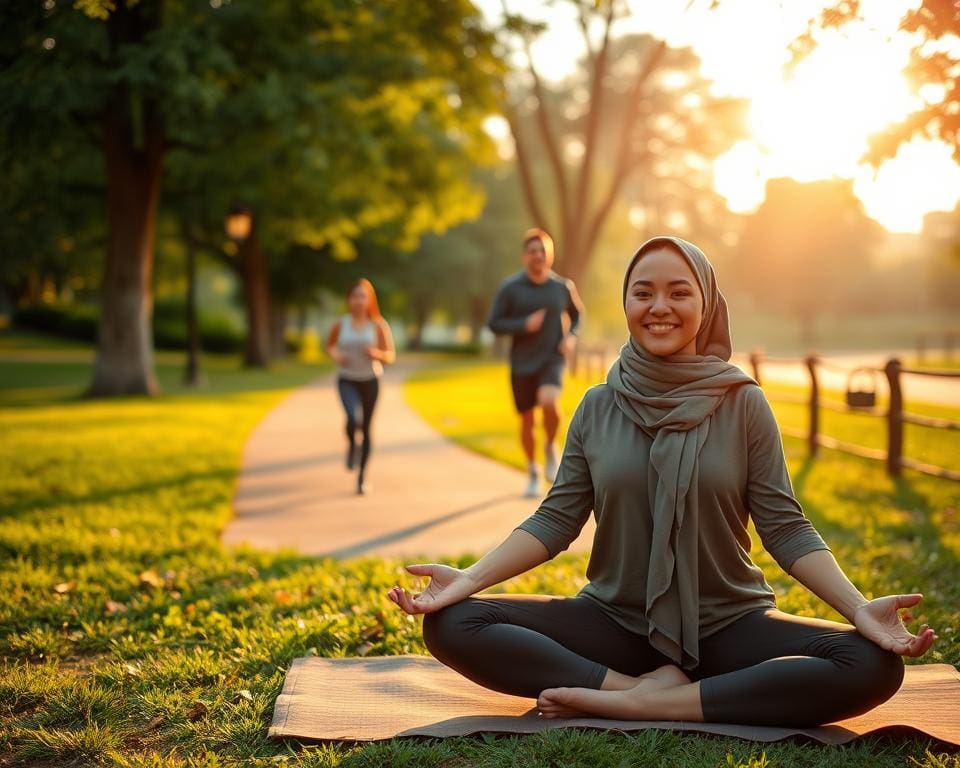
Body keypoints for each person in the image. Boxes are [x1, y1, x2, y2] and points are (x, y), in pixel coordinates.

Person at [386, 236, 937, 727]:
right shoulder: (598, 406)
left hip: (728, 620)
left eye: (679, 292)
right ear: (626, 303)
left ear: (707, 305)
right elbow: (556, 521)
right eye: (642, 292)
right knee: (452, 624)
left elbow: (785, 528)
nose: (659, 308)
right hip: (613, 621)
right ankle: (629, 687)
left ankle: (646, 704)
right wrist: (468, 580)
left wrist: (859, 608)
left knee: (871, 664)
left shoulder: (743, 404)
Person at [487, 228, 584, 498]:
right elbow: (494, 323)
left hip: (552, 357)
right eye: (533, 251)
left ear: (549, 255)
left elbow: (577, 316)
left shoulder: (562, 287)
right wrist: (523, 325)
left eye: (543, 250)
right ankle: (531, 469)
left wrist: (571, 337)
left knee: (550, 402)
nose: (538, 255)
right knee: (527, 421)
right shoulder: (510, 288)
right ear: (524, 257)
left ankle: (551, 447)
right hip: (521, 363)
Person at [326, 278, 396, 495]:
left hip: (370, 381)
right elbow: (330, 345)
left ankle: (362, 478)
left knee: (366, 428)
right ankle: (351, 445)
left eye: (362, 296)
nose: (358, 300)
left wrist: (376, 354)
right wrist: (336, 355)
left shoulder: (378, 325)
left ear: (369, 300)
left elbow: (390, 356)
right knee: (352, 419)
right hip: (346, 379)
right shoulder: (342, 323)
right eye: (354, 296)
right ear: (348, 300)